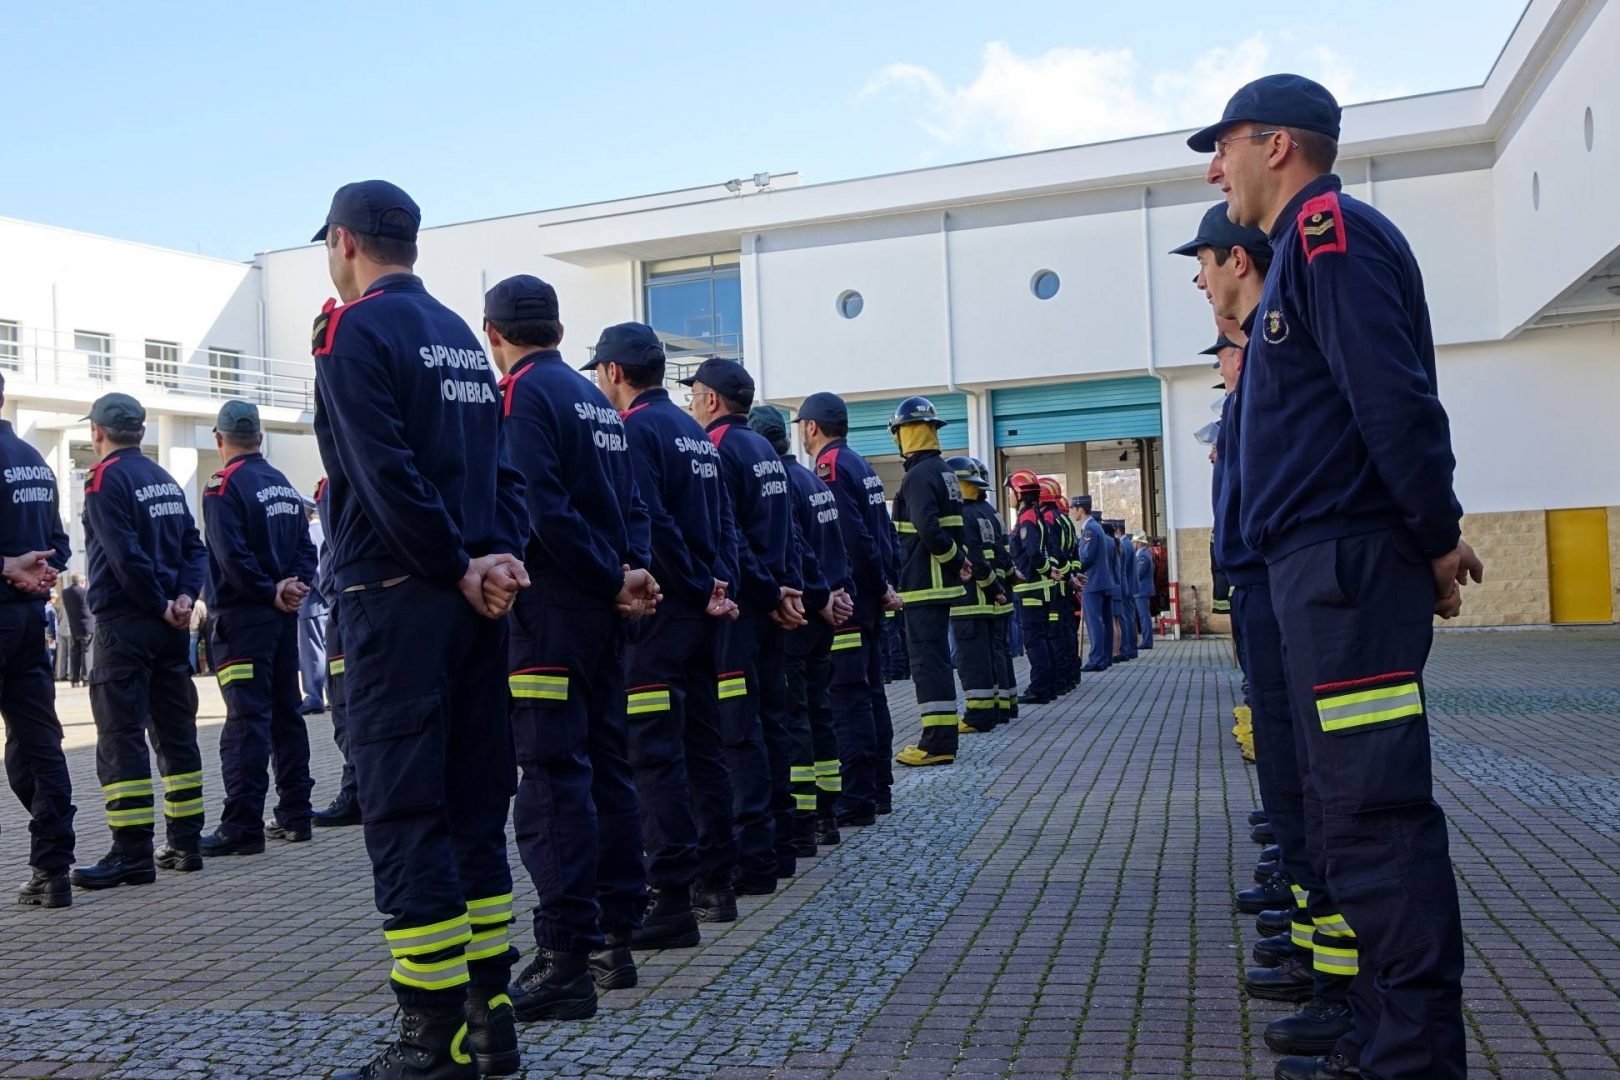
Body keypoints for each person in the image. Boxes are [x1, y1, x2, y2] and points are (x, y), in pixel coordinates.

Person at [1193, 74, 1483, 1080]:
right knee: (1343, 815)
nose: (1215, 170)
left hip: (1348, 569)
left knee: (1374, 815)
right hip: (1319, 574)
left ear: (1277, 145)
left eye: (1224, 146)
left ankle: (1409, 1056)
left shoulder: (1331, 237)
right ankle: (1376, 1033)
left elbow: (1393, 400)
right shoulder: (1306, 256)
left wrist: (1435, 536)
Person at [312, 180, 531, 1080]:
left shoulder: (353, 330)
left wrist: (454, 563)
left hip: (400, 599)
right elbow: (503, 470)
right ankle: (491, 1022)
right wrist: (496, 559)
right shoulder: (460, 337)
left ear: (343, 242)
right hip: (475, 605)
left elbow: (383, 472)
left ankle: (429, 1038)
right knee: (475, 808)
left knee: (406, 810)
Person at [482, 276, 659, 1022]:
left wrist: (607, 578)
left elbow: (540, 508)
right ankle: (614, 940)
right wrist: (627, 573)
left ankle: (565, 959)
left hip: (551, 614)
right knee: (608, 770)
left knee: (554, 778)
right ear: (558, 331)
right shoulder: (597, 401)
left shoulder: (521, 395)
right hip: (602, 614)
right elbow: (633, 504)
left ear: (493, 334)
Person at [589, 322, 740, 946]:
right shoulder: (693, 432)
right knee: (704, 747)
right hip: (704, 614)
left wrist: (697, 586)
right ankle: (716, 884)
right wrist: (720, 585)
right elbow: (723, 522)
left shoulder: (634, 430)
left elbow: (652, 523)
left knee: (654, 756)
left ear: (614, 373)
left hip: (663, 615)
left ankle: (672, 900)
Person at [70, 392, 209, 892]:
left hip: (126, 624)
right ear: (142, 432)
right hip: (170, 628)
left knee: (121, 737)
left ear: (97, 432)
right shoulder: (164, 479)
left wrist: (158, 602)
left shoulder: (103, 479)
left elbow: (124, 556)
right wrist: (183, 598)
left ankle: (131, 854)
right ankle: (186, 844)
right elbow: (194, 547)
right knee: (176, 733)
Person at [682, 357, 807, 889]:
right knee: (772, 724)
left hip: (742, 612)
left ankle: (753, 859)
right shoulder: (765, 450)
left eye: (694, 395)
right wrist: (787, 590)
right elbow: (787, 534)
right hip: (771, 610)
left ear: (711, 399)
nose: (691, 404)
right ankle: (780, 846)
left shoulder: (717, 448)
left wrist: (768, 592)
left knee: (738, 734)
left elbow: (730, 538)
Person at [197, 401, 319, 857]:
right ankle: (296, 814)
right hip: (282, 619)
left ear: (219, 438)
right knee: (286, 714)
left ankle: (242, 825)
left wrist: (269, 591)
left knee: (246, 721)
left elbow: (230, 556)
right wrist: (294, 587)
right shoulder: (283, 485)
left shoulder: (222, 485)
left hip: (243, 622)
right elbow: (306, 550)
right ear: (260, 438)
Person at [751, 404, 854, 850]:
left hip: (800, 613)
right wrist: (837, 593)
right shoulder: (812, 480)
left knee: (794, 717)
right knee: (819, 711)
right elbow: (837, 545)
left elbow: (796, 548)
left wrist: (818, 596)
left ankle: (804, 818)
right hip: (823, 613)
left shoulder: (779, 483)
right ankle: (827, 813)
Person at [795, 392, 901, 824]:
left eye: (802, 427)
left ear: (812, 427)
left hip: (850, 602)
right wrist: (885, 584)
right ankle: (878, 787)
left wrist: (873, 587)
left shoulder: (831, 467)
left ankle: (857, 797)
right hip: (868, 598)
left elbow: (853, 538)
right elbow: (885, 533)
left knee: (847, 697)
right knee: (871, 693)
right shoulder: (861, 464)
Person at [0, 374, 77, 909]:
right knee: (36, 744)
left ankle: (50, 862)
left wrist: (11, 567)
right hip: (29, 622)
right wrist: (42, 571)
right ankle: (52, 869)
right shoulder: (35, 461)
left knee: (33, 746)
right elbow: (58, 544)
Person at [888, 396, 973, 768]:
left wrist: (954, 559)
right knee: (936, 661)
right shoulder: (944, 472)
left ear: (905, 433)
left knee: (927, 664)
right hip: (937, 583)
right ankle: (942, 738)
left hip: (925, 584)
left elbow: (927, 527)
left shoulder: (918, 475)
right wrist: (959, 560)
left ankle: (936, 743)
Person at [309, 476, 361, 829]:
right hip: (357, 608)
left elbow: (336, 554)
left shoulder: (334, 483)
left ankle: (356, 793)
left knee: (346, 707)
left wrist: (336, 601)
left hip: (347, 613)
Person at [947, 457, 1013, 733]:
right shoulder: (989, 512)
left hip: (971, 600)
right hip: (991, 599)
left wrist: (991, 587)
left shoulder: (962, 515)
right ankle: (1001, 707)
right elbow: (1002, 553)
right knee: (992, 655)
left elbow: (974, 558)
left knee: (972, 660)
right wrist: (1001, 584)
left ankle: (978, 715)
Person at [1006, 470, 1056, 705]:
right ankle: (1047, 685)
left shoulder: (1027, 518)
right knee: (1042, 638)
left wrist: (1046, 570)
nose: (1009, 496)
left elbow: (1034, 552)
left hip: (1031, 589)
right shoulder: (1035, 515)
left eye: (1011, 492)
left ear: (1020, 493)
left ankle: (1040, 688)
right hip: (1038, 587)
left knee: (1034, 641)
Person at [1073, 495, 1115, 672]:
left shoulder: (1089, 529)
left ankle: (1096, 659)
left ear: (1080, 509)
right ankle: (1105, 658)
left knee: (1094, 622)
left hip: (1092, 582)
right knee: (1104, 621)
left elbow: (1086, 556)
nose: (1072, 512)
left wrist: (1073, 568)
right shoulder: (1096, 527)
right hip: (1102, 582)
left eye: (1073, 509)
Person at [297, 499, 329, 715]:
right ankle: (332, 693)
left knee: (312, 653)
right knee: (328, 650)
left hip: (312, 604)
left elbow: (315, 571)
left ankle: (314, 696)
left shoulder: (309, 532)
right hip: (325, 603)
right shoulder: (324, 529)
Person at [62, 573, 91, 687]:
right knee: (87, 652)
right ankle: (86, 678)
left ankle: (74, 680)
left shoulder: (65, 593)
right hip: (87, 626)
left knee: (75, 653)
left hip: (74, 626)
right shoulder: (85, 592)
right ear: (82, 582)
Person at [1131, 535, 1156, 651]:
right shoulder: (1143, 554)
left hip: (1141, 590)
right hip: (1141, 590)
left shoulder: (1143, 556)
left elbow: (1139, 573)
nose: (1133, 544)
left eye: (1135, 542)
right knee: (1142, 617)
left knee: (1144, 617)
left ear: (1139, 543)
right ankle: (1145, 641)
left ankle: (1147, 642)